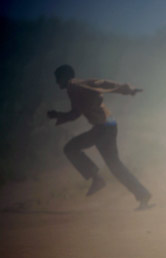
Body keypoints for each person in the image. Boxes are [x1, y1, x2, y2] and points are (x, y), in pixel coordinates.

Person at [47, 64, 151, 210]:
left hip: (105, 127)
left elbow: (102, 83)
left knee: (73, 149)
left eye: (58, 78)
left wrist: (127, 89)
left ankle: (98, 179)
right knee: (113, 164)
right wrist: (58, 115)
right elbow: (75, 113)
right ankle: (141, 195)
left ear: (65, 77)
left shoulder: (77, 85)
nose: (56, 82)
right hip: (102, 127)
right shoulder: (72, 90)